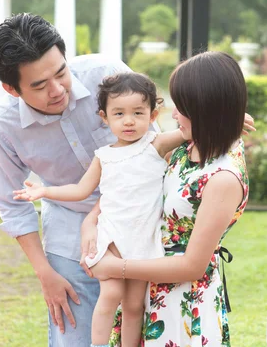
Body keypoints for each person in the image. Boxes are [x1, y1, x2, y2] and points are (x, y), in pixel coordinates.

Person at [0, 13, 155, 346]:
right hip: (69, 235)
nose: (57, 89)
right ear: (10, 88)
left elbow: (152, 147)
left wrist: (218, 121)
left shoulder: (106, 74)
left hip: (139, 223)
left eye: (61, 73)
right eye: (38, 85)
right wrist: (45, 274)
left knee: (149, 328)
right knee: (74, 338)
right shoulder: (1, 129)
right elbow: (12, 206)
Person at [84, 51, 250, 346]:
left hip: (182, 304)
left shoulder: (223, 177)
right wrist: (90, 222)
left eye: (182, 107)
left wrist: (116, 268)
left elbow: (192, 266)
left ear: (205, 109)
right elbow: (133, 189)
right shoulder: (190, 147)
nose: (173, 115)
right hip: (147, 290)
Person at [12, 72, 185, 347]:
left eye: (138, 113)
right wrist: (44, 191)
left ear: (153, 116)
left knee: (133, 304)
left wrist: (232, 119)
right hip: (112, 236)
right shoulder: (104, 156)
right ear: (105, 118)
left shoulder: (156, 144)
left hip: (144, 238)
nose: (129, 121)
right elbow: (80, 190)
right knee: (111, 293)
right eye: (119, 114)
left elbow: (193, 130)